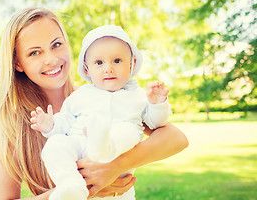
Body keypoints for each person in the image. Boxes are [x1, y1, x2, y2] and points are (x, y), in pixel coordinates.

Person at [0, 7, 189, 200]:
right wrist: (80, 188)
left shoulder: (100, 96)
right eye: (35, 53)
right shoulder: (13, 125)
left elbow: (176, 139)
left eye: (56, 45)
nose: (51, 59)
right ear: (17, 63)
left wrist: (114, 167)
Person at [30, 25, 172, 200]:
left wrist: (157, 103)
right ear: (87, 69)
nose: (108, 68)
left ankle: (103, 146)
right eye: (99, 63)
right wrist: (49, 124)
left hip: (116, 161)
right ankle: (70, 185)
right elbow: (65, 121)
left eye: (117, 61)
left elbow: (156, 122)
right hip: (80, 146)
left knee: (127, 131)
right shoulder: (80, 95)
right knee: (56, 144)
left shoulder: (139, 96)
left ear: (132, 63)